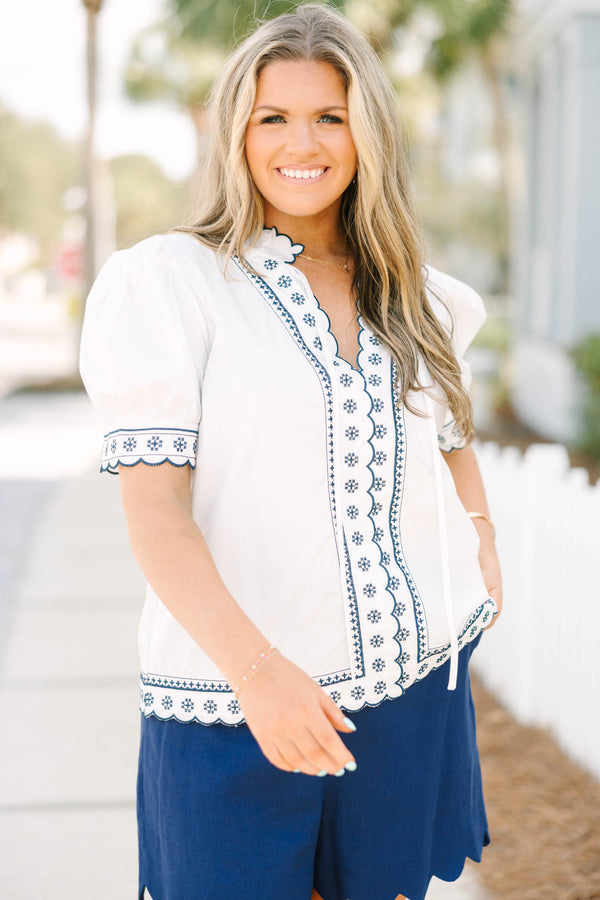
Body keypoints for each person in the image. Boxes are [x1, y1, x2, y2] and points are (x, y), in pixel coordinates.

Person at [80, 5, 502, 899]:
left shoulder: (421, 296)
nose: (298, 143)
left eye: (328, 116)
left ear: (367, 133)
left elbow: (450, 434)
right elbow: (156, 510)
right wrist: (260, 676)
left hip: (410, 696)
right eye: (271, 117)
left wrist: (481, 549)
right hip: (234, 704)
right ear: (235, 132)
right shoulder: (171, 285)